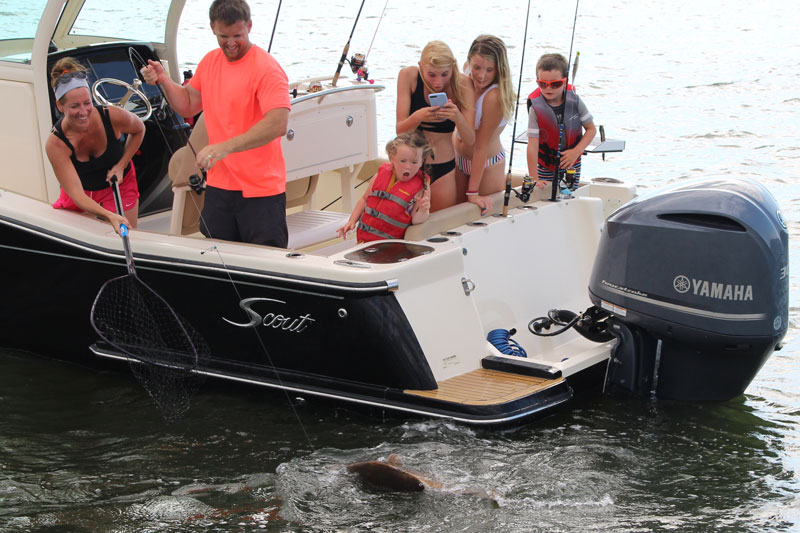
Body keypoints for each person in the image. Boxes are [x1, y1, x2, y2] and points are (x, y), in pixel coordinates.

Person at [141, 0, 291, 247]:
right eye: (224, 36)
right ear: (212, 28)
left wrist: (225, 147)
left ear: (249, 26)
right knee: (219, 263)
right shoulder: (210, 62)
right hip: (219, 187)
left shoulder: (267, 69)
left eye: (237, 35)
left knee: (263, 266)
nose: (231, 43)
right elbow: (189, 103)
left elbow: (278, 123)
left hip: (261, 192)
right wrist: (163, 80)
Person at [45, 58, 145, 235]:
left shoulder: (112, 116)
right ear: (60, 106)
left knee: (128, 236)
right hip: (81, 192)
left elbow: (139, 129)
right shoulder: (56, 144)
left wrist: (121, 165)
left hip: (119, 184)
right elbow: (77, 195)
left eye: (87, 103)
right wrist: (109, 216)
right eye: (75, 106)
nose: (83, 112)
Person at [396, 41, 474, 212]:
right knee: (403, 223)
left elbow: (470, 139)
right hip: (409, 165)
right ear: (420, 66)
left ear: (453, 67)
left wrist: (457, 117)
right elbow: (400, 130)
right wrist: (419, 116)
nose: (438, 82)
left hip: (443, 167)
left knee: (438, 227)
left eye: (445, 74)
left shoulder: (463, 83)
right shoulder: (408, 76)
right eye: (431, 75)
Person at [454, 35, 516, 214]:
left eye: (489, 70)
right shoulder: (465, 73)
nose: (481, 75)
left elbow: (480, 146)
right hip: (459, 158)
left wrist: (472, 193)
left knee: (480, 219)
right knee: (454, 216)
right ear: (469, 62)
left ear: (499, 69)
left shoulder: (494, 96)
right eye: (477, 67)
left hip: (487, 163)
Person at [337, 132, 432, 243]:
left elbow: (416, 220)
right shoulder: (380, 175)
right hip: (364, 241)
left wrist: (423, 210)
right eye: (403, 161)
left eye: (414, 162)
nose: (408, 166)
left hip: (389, 245)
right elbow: (364, 200)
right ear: (392, 158)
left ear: (421, 162)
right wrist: (352, 221)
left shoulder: (422, 188)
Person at [526, 53, 596, 192]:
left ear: (564, 81)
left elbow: (591, 129)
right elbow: (532, 145)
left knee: (569, 197)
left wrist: (576, 151)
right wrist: (534, 177)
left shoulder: (575, 101)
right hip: (546, 166)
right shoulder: (536, 108)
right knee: (546, 197)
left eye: (555, 84)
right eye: (542, 84)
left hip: (572, 165)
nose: (548, 88)